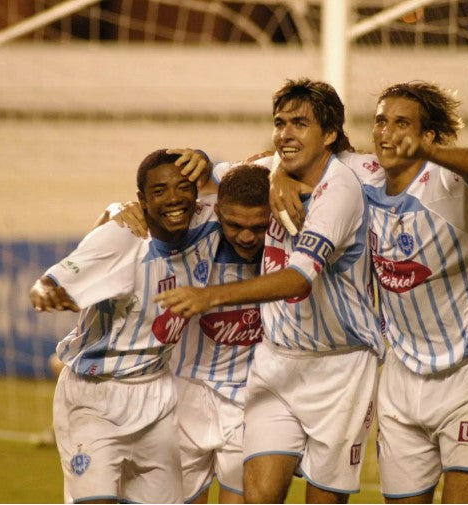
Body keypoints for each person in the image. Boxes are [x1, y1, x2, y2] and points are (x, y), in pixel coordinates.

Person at [270, 81, 468, 503]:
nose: (387, 132)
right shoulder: (362, 174)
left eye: (402, 123)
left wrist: (425, 152)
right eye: (381, 121)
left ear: (429, 135)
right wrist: (277, 174)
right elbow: (294, 152)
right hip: (400, 377)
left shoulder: (453, 186)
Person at [156, 78, 384, 504]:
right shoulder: (268, 171)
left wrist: (211, 296)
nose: (286, 133)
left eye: (300, 124)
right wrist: (201, 160)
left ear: (330, 133)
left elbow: (299, 278)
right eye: (280, 123)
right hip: (276, 361)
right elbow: (221, 173)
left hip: (341, 367)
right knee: (256, 497)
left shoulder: (340, 191)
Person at [30, 149, 221, 504]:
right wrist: (45, 293)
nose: (174, 199)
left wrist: (204, 158)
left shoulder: (211, 222)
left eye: (183, 187)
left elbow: (255, 175)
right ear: (142, 201)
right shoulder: (120, 237)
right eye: (159, 191)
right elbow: (48, 280)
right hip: (94, 399)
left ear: (197, 191)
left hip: (157, 397)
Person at [105, 164, 271, 503]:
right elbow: (130, 222)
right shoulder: (191, 230)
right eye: (235, 225)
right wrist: (113, 210)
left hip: (250, 398)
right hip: (183, 394)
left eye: (258, 227)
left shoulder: (284, 243)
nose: (247, 236)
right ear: (216, 210)